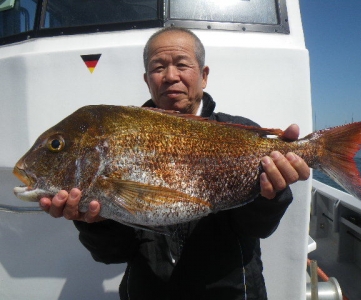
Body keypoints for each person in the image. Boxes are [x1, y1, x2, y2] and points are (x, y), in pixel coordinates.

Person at [40, 27, 310, 299]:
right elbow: (114, 254)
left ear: (203, 76)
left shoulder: (242, 133)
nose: (170, 76)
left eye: (182, 64)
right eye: (159, 68)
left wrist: (270, 196)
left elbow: (257, 229)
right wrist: (94, 222)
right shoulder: (120, 140)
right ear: (147, 80)